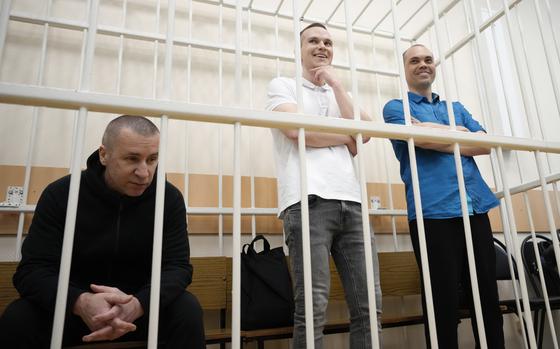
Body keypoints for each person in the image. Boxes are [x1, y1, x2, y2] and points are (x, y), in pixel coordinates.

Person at [0, 115, 205, 348]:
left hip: (139, 312)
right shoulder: (62, 194)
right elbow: (32, 271)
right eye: (132, 159)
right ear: (104, 154)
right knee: (19, 319)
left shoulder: (168, 198)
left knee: (187, 310)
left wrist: (139, 304)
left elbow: (177, 267)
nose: (144, 172)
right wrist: (80, 301)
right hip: (72, 313)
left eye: (152, 159)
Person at [266, 22, 382, 349]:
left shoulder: (336, 93)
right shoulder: (283, 85)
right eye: (313, 40)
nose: (322, 46)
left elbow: (367, 132)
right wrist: (348, 136)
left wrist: (336, 83)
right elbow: (299, 133)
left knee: (369, 304)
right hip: (308, 201)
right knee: (313, 306)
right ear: (299, 49)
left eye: (328, 42)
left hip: (353, 203)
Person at [383, 44, 504, 348]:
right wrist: (457, 134)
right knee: (442, 301)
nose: (422, 64)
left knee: (486, 295)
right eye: (414, 61)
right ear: (405, 68)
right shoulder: (396, 108)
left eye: (427, 59)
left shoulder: (456, 107)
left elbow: (486, 143)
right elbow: (421, 139)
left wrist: (434, 131)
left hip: (474, 207)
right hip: (433, 213)